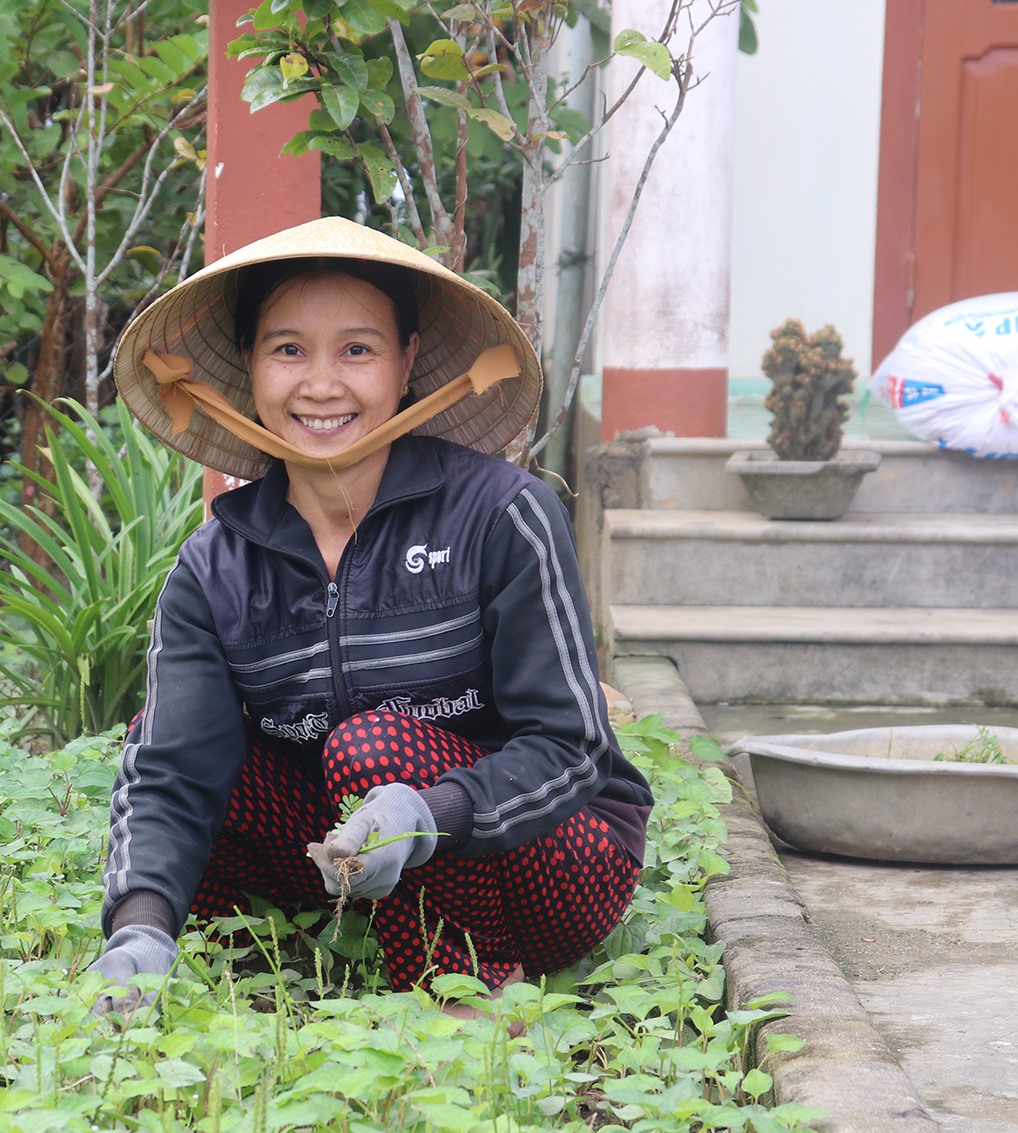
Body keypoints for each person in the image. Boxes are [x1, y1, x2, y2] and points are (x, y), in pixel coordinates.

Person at [88, 218, 651, 1016]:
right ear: (249, 366)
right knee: (178, 742)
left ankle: (469, 989)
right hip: (355, 852)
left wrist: (429, 812)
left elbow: (571, 747)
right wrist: (138, 929)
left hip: (558, 862)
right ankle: (262, 963)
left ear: (408, 362)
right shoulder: (214, 566)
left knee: (373, 746)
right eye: (288, 350)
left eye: (357, 349)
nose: (322, 384)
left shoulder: (501, 516)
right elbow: (172, 774)